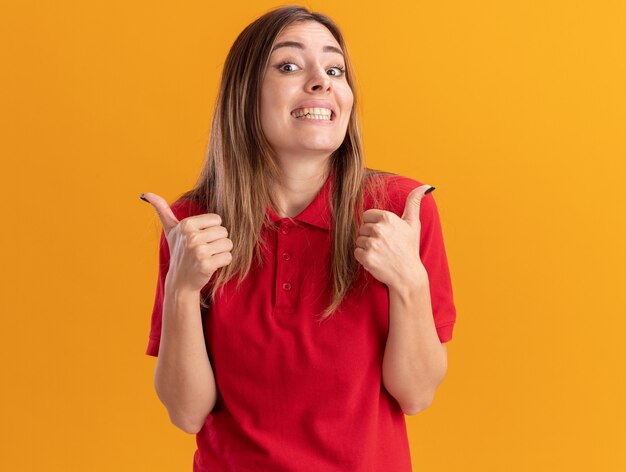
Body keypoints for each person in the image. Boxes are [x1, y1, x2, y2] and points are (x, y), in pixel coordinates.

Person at [140, 5, 456, 471]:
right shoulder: (192, 224)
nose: (321, 81)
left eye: (335, 68)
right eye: (289, 65)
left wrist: (409, 282)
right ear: (245, 95)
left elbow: (416, 394)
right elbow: (187, 413)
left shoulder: (401, 211)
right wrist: (181, 290)